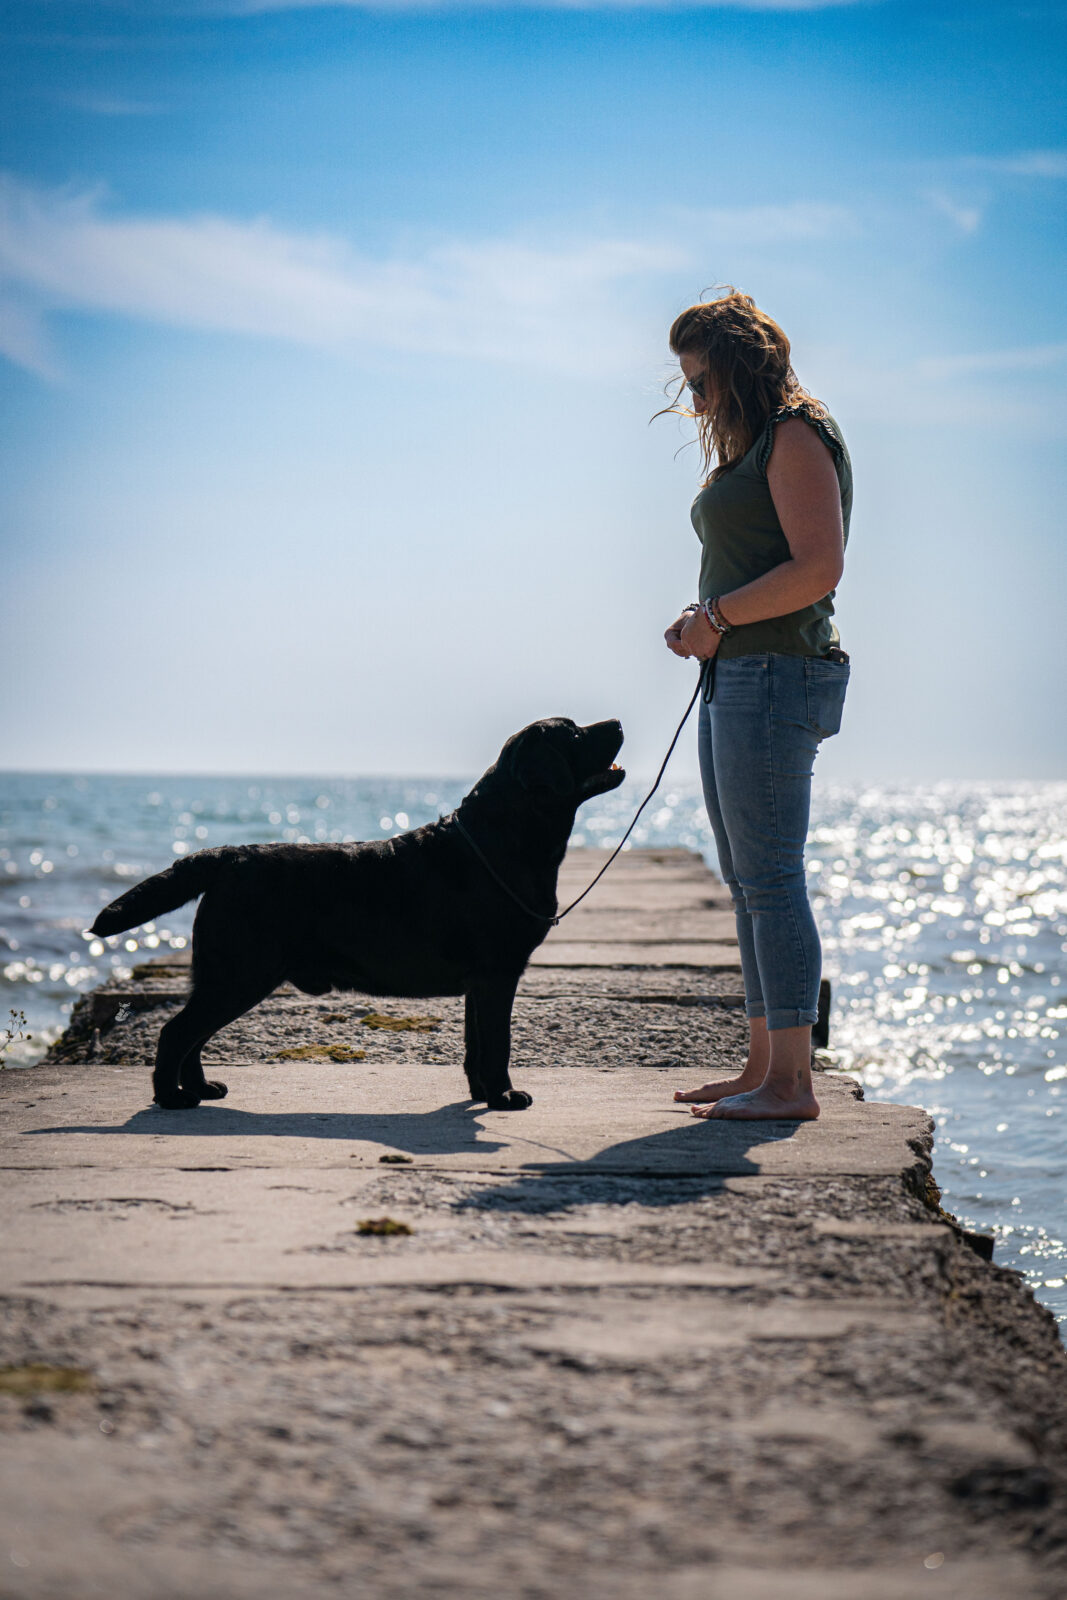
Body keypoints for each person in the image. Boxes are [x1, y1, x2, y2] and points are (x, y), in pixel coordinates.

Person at [662, 289, 852, 1121]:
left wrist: (716, 618)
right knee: (748, 882)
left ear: (739, 370)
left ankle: (792, 1085)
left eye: (701, 382)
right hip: (740, 673)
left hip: (776, 674)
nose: (693, 402)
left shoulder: (795, 433)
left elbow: (818, 568)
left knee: (771, 879)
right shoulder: (755, 445)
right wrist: (705, 622)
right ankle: (760, 1068)